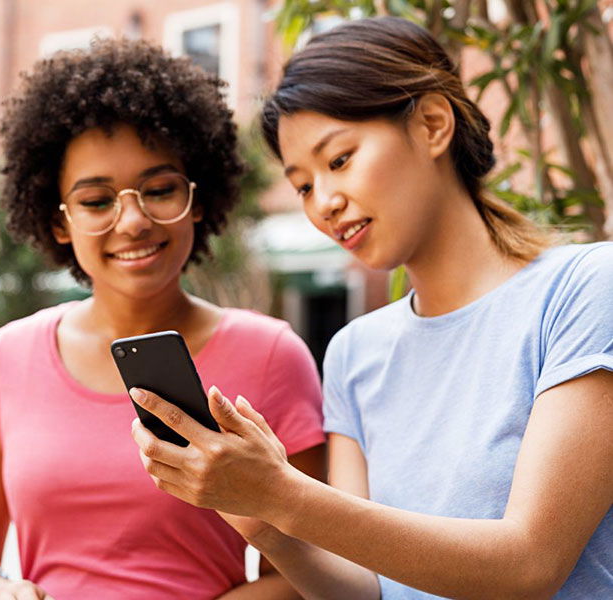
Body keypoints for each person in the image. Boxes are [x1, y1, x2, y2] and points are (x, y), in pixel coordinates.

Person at [130, 16, 613, 599]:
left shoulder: (585, 289)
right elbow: (364, 592)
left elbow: (530, 565)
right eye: (303, 185)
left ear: (433, 125)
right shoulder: (355, 352)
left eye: (339, 160)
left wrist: (284, 493)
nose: (325, 204)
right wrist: (267, 525)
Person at [0, 39, 327, 600]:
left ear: (197, 199)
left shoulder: (270, 354)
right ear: (59, 222)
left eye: (160, 189)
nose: (133, 221)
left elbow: (308, 572)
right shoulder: (6, 357)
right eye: (97, 201)